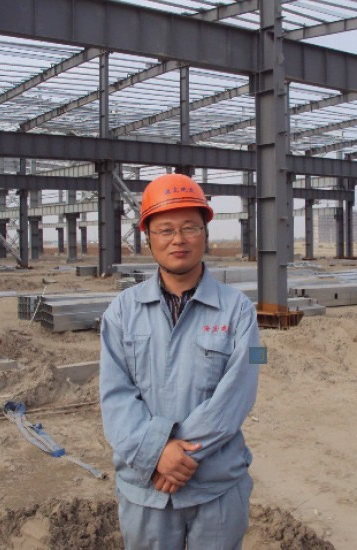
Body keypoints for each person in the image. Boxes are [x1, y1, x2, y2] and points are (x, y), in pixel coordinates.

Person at [99, 173, 261, 550]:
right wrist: (156, 453)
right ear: (148, 237)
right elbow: (115, 396)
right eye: (166, 229)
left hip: (215, 486)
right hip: (147, 488)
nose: (179, 239)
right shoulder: (121, 312)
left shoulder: (239, 311)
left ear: (205, 233)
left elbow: (238, 392)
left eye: (190, 227)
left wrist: (176, 457)